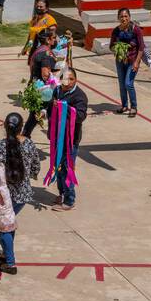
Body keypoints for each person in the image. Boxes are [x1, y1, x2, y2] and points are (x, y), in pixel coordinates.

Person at [0, 112, 41, 275]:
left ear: (5, 127)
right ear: (22, 127)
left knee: (4, 227)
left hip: (4, 197)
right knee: (9, 222)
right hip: (23, 195)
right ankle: (5, 253)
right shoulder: (29, 144)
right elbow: (36, 168)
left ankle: (10, 262)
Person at [51, 68, 88, 212]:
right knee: (58, 167)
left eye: (71, 79)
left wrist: (63, 108)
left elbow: (80, 116)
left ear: (76, 80)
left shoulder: (80, 96)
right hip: (57, 136)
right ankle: (62, 193)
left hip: (70, 140)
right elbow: (51, 109)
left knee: (67, 170)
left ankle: (69, 200)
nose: (68, 82)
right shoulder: (58, 91)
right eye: (65, 79)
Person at [109, 7, 146, 117]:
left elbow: (141, 47)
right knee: (121, 84)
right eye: (121, 17)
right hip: (120, 61)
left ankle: (133, 107)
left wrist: (137, 62)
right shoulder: (116, 31)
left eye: (126, 16)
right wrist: (118, 49)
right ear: (118, 18)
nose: (124, 18)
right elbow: (111, 46)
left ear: (129, 17)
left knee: (128, 83)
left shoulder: (136, 29)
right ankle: (124, 105)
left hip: (132, 60)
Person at [23, 27, 58, 137]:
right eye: (53, 38)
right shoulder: (46, 54)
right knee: (38, 115)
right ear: (48, 40)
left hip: (35, 86)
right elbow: (45, 74)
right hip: (43, 90)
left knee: (36, 115)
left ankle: (26, 135)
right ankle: (25, 137)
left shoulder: (39, 50)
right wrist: (58, 74)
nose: (55, 40)